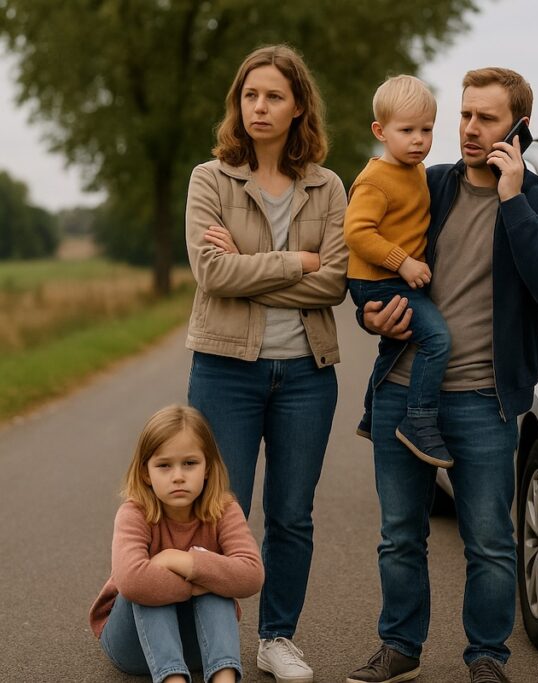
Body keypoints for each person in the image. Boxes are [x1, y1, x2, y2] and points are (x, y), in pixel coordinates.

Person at [347, 67, 538, 683]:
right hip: (401, 390)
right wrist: (370, 312)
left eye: (488, 118)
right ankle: (399, 647)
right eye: (465, 115)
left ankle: (486, 658)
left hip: (484, 402)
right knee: (400, 536)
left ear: (519, 128)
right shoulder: (430, 184)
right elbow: (368, 253)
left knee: (490, 543)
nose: (470, 130)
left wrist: (512, 198)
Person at [184, 44, 348, 683]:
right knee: (219, 510)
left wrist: (252, 270)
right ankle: (214, 639)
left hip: (308, 373)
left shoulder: (327, 185)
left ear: (298, 105)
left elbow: (332, 283)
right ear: (238, 103)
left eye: (274, 95)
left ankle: (277, 639)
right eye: (250, 95)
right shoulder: (210, 178)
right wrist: (294, 262)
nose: (260, 106)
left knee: (291, 515)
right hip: (225, 367)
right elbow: (211, 272)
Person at [89, 405, 264, 683]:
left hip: (198, 647)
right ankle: (172, 679)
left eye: (190, 463)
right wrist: (203, 579)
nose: (178, 476)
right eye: (164, 465)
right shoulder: (134, 512)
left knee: (209, 577)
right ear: (146, 472)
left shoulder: (223, 509)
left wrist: (176, 559)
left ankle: (224, 676)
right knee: (152, 586)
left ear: (207, 467)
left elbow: (252, 576)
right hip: (132, 647)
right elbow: (133, 582)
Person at [345, 74, 454, 468]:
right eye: (406, 130)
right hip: (376, 279)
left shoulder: (418, 172)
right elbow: (357, 233)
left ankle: (373, 415)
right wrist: (403, 262)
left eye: (426, 130)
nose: (418, 139)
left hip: (392, 278)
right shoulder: (375, 180)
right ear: (381, 131)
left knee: (396, 345)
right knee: (437, 339)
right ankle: (419, 420)